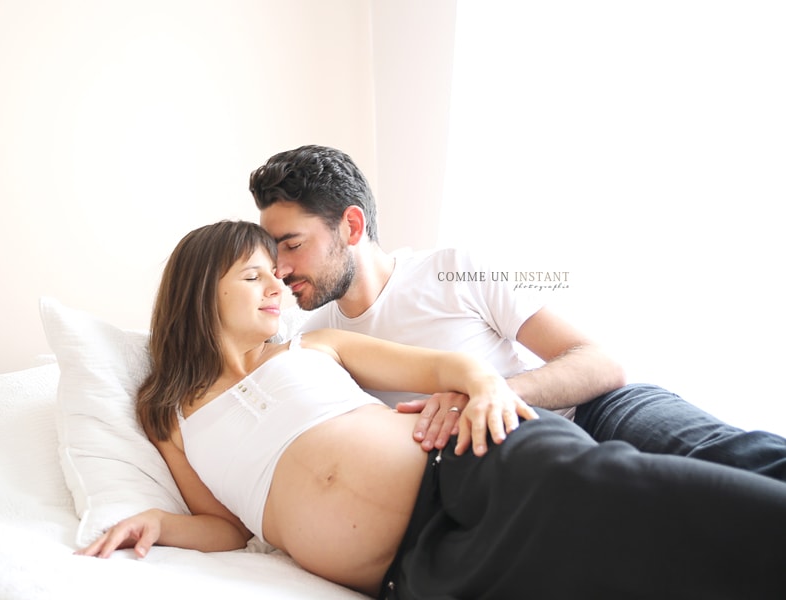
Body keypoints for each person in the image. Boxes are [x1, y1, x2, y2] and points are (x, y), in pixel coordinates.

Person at [77, 220, 786, 599]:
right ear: (202, 288)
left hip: (475, 468)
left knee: (673, 510)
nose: (278, 286)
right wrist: (160, 523)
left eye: (279, 270)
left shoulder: (318, 346)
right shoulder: (165, 412)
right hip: (414, 570)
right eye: (254, 274)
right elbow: (227, 528)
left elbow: (453, 368)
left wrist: (482, 390)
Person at [249, 144, 786, 481]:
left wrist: (489, 394)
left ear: (351, 227)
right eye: (273, 254)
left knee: (735, 460)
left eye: (291, 244)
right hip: (527, 469)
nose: (281, 268)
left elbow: (600, 362)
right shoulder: (317, 339)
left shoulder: (455, 268)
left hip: (597, 410)